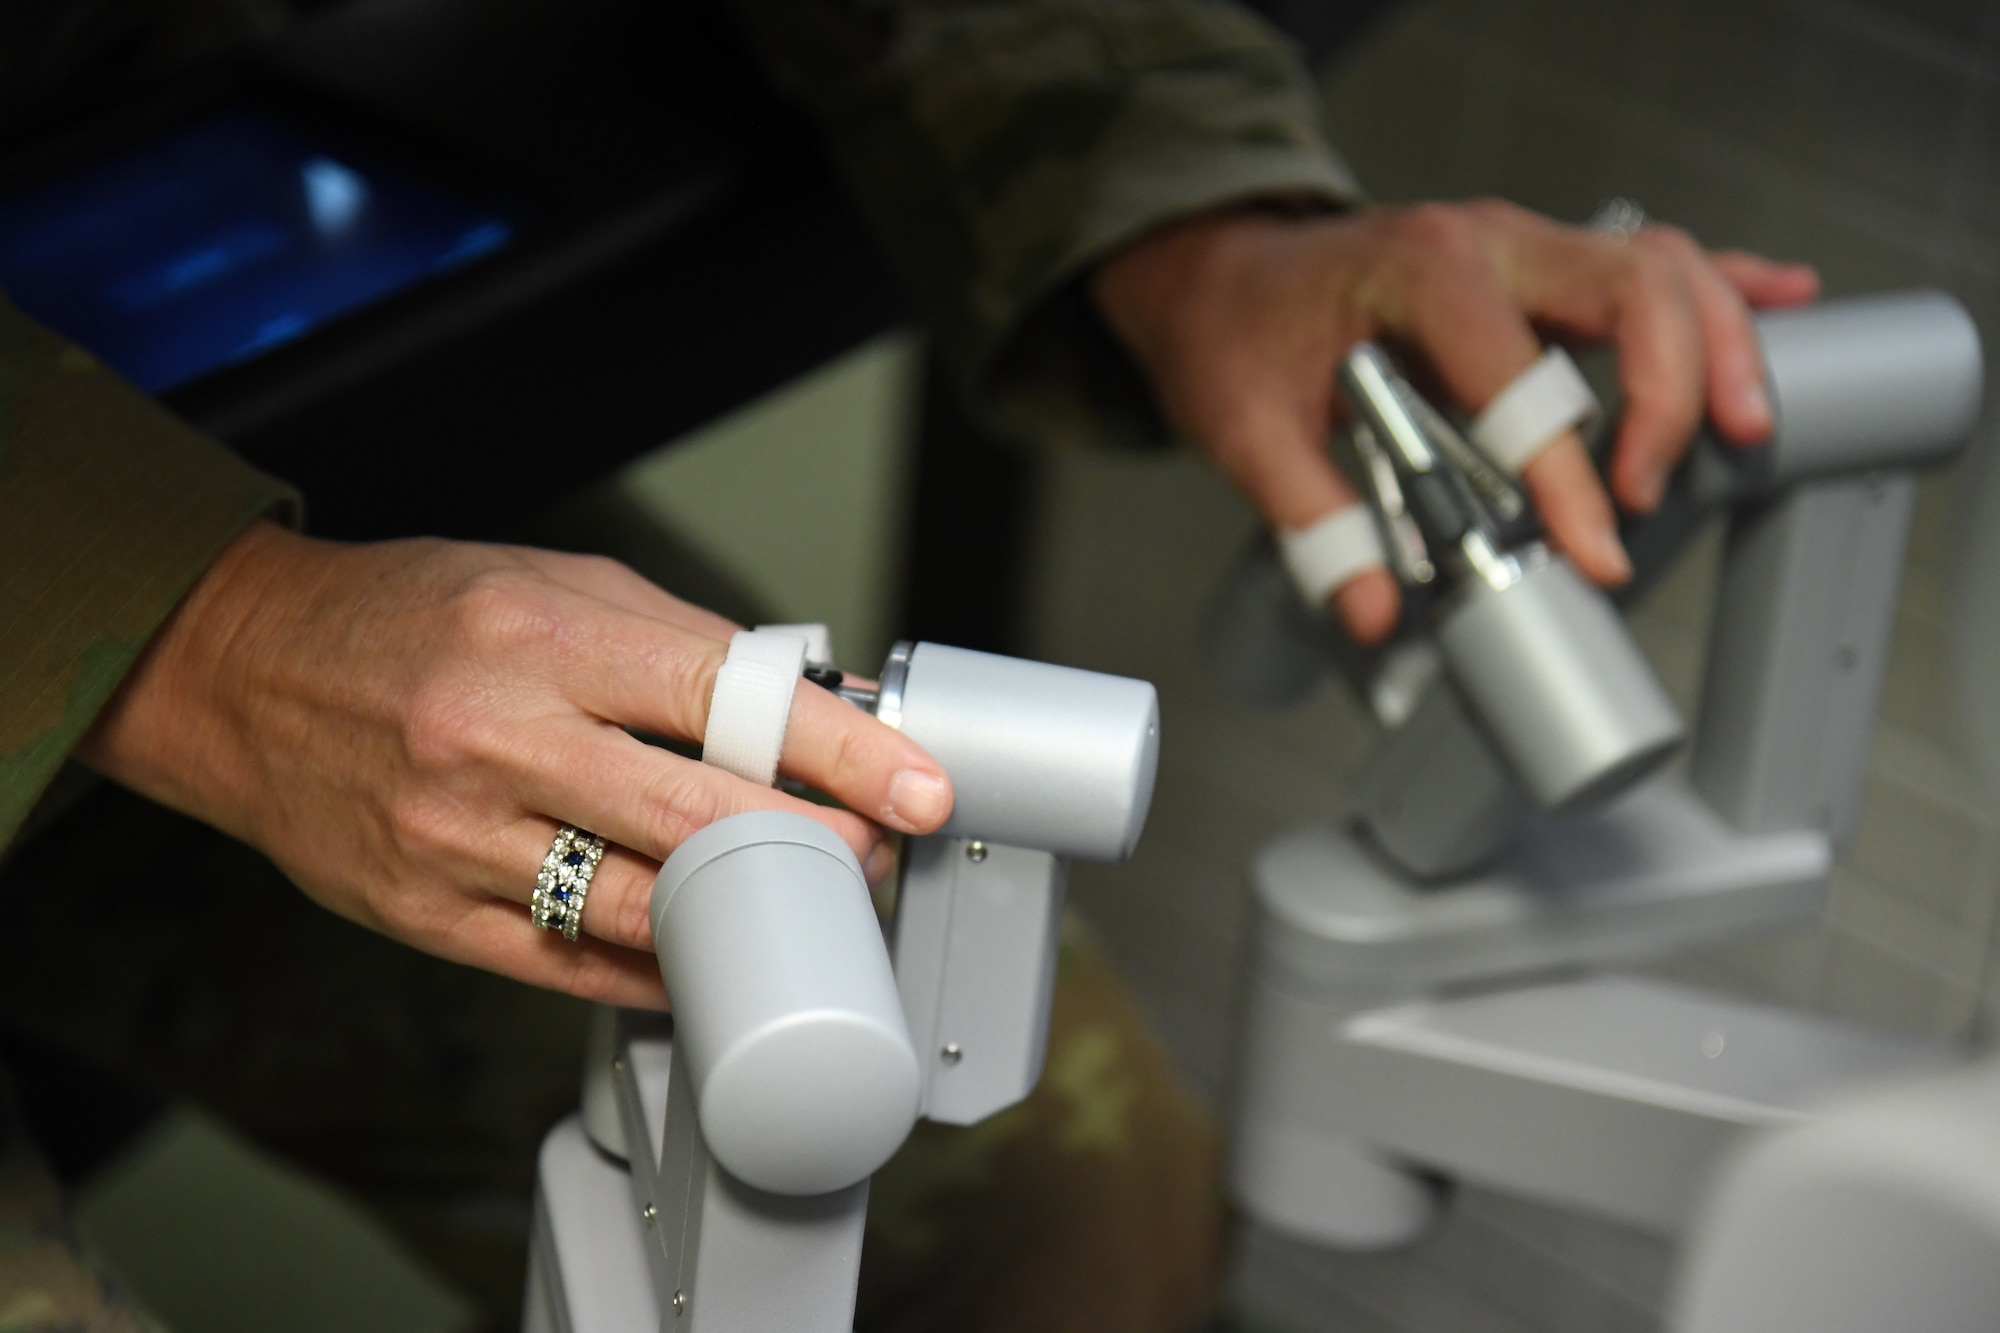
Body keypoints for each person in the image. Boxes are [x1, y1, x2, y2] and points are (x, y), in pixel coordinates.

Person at [0, 0, 1817, 1327]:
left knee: (1048, 1199)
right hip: (90, 542)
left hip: (221, 436)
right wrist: (196, 636)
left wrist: (1189, 217)